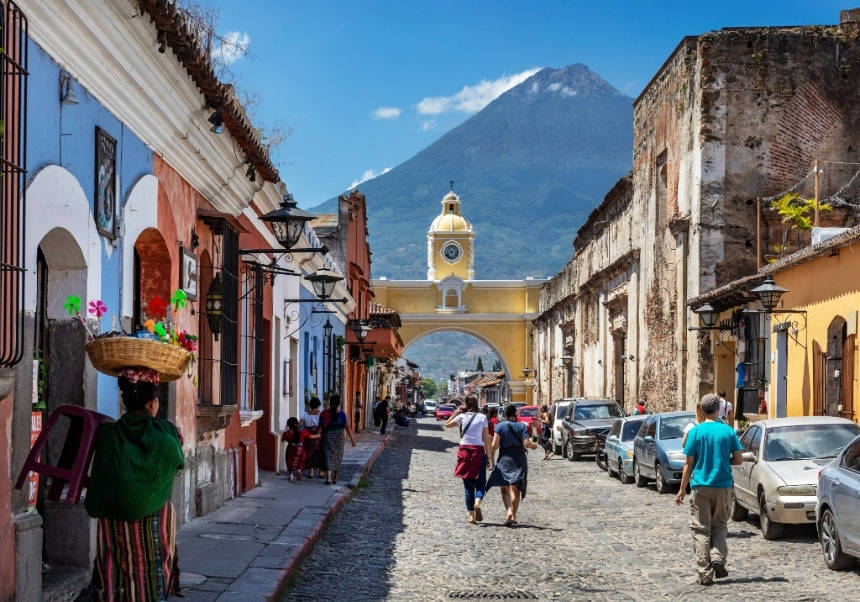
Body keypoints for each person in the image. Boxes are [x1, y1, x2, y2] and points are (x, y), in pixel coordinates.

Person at [84, 367, 185, 600]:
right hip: (152, 524)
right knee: (149, 575)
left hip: (112, 523)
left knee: (113, 574)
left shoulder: (109, 434)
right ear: (152, 404)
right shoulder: (165, 437)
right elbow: (176, 460)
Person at [675, 393, 744, 586]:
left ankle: (705, 573)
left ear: (701, 409)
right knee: (720, 525)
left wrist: (681, 489)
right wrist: (724, 460)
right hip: (723, 486)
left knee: (701, 529)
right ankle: (718, 559)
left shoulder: (696, 432)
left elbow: (688, 464)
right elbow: (739, 459)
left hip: (700, 486)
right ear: (718, 409)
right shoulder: (728, 431)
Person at [486, 404, 538, 526]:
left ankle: (509, 511)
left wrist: (491, 455)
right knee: (516, 488)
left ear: (504, 414)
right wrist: (534, 446)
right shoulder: (521, 426)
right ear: (515, 414)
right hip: (519, 458)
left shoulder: (499, 426)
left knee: (504, 488)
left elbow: (495, 446)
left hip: (504, 458)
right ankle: (513, 515)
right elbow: (526, 443)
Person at [446, 395, 493, 524]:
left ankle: (471, 515)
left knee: (468, 484)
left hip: (465, 451)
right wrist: (489, 458)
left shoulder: (462, 417)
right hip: (478, 451)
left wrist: (456, 412)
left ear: (466, 405)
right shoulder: (482, 417)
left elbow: (447, 424)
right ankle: (477, 501)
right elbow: (486, 439)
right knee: (481, 482)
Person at [319, 395, 356, 485]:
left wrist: (317, 438)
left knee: (328, 456)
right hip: (339, 437)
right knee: (337, 457)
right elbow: (347, 427)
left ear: (330, 403)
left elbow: (320, 427)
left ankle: (328, 478)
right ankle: (335, 477)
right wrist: (353, 439)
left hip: (327, 437)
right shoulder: (342, 414)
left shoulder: (324, 413)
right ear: (339, 403)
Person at [283, 417, 314, 482]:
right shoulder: (302, 432)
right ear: (296, 424)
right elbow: (311, 436)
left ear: (288, 425)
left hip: (290, 448)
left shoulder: (287, 433)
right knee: (300, 461)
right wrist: (320, 435)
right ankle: (299, 470)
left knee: (290, 461)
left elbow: (283, 440)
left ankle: (291, 476)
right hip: (300, 449)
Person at [303, 396, 325, 478]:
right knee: (320, 453)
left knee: (310, 453)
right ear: (318, 405)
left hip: (309, 437)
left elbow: (301, 424)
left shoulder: (305, 414)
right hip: (318, 435)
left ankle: (311, 472)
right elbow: (321, 426)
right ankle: (320, 472)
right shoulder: (321, 414)